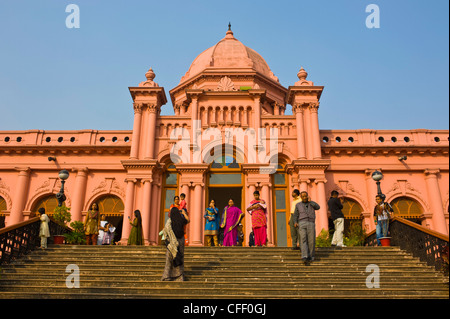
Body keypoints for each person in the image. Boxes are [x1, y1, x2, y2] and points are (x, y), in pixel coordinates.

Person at [161, 206, 190, 281]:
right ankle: (180, 276)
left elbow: (166, 232)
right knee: (179, 258)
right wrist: (184, 213)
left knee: (169, 260)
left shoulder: (169, 222)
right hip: (180, 241)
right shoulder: (181, 220)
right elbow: (188, 220)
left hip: (171, 243)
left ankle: (167, 276)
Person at [293, 191, 320, 265]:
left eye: (306, 196)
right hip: (302, 223)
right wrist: (295, 222)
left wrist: (311, 201)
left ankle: (311, 256)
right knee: (303, 239)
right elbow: (295, 214)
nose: (305, 197)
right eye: (303, 196)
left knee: (311, 241)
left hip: (311, 223)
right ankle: (304, 256)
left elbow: (318, 207)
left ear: (308, 196)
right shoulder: (298, 205)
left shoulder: (311, 204)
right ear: (301, 197)